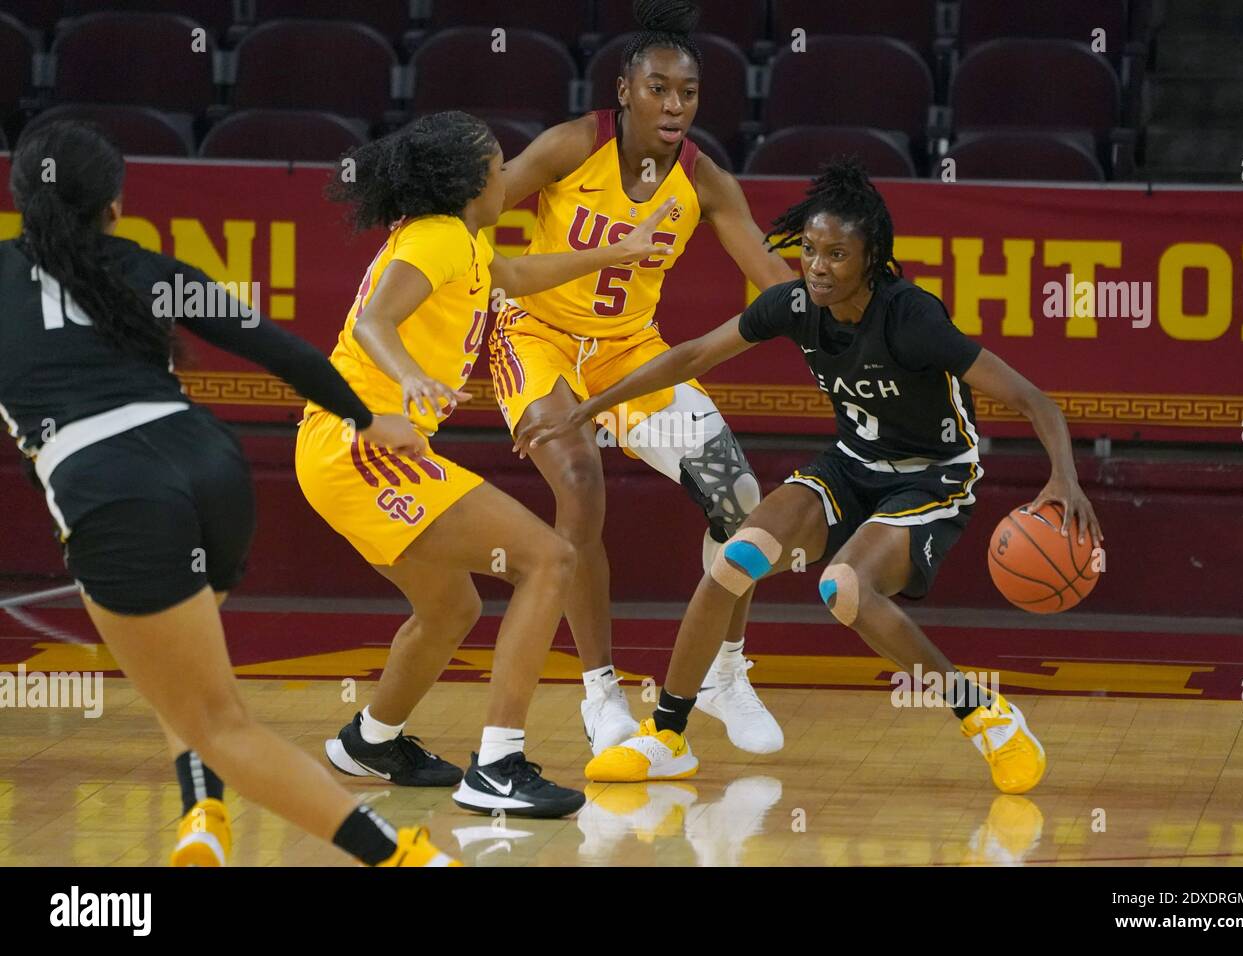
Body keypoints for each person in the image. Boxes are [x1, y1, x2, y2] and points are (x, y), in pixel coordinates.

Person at [515, 158, 1104, 793]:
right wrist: (589, 407)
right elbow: (691, 356)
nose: (817, 267)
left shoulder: (911, 319)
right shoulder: (795, 305)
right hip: (850, 466)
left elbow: (1032, 399)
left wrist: (1063, 478)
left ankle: (983, 713)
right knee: (733, 560)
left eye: (837, 255)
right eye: (810, 251)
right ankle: (667, 735)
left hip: (931, 478)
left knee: (845, 588)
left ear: (871, 258)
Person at [0, 120, 453, 866]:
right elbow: (279, 347)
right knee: (188, 678)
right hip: (211, 469)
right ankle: (202, 817)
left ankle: (405, 858)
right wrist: (370, 420)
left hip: (114, 491)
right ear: (115, 205)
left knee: (219, 719)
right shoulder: (142, 264)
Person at [297, 111, 681, 817]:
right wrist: (409, 378)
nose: (508, 176)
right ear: (471, 183)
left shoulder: (463, 243)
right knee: (548, 558)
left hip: (347, 452)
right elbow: (373, 323)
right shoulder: (439, 238)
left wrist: (611, 253)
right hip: (360, 448)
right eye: (499, 166)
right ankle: (498, 766)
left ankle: (371, 740)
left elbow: (517, 273)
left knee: (452, 606)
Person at [488, 0, 795, 756]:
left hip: (630, 354)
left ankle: (724, 672)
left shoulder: (706, 182)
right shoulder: (569, 147)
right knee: (581, 482)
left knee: (740, 498)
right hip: (538, 337)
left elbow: (775, 284)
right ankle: (601, 692)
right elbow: (479, 207)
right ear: (625, 89)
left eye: (687, 92)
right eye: (658, 88)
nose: (674, 105)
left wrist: (847, 310)